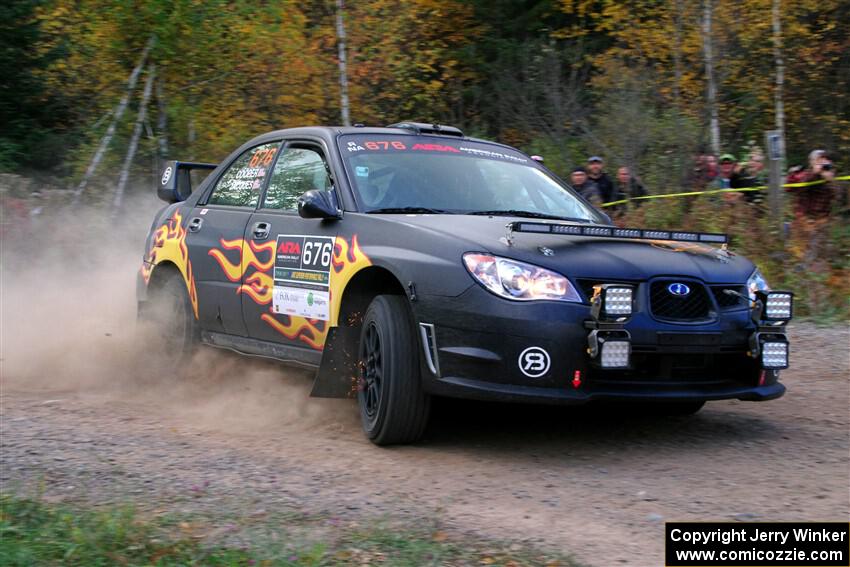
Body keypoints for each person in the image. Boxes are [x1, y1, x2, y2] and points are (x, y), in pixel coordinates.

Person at [786, 150, 839, 218]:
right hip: (805, 219)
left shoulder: (830, 174)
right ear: (811, 162)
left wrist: (831, 182)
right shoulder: (802, 174)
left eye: (825, 160)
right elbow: (796, 189)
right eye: (819, 161)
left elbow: (838, 197)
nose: (822, 163)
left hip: (824, 218)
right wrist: (814, 173)